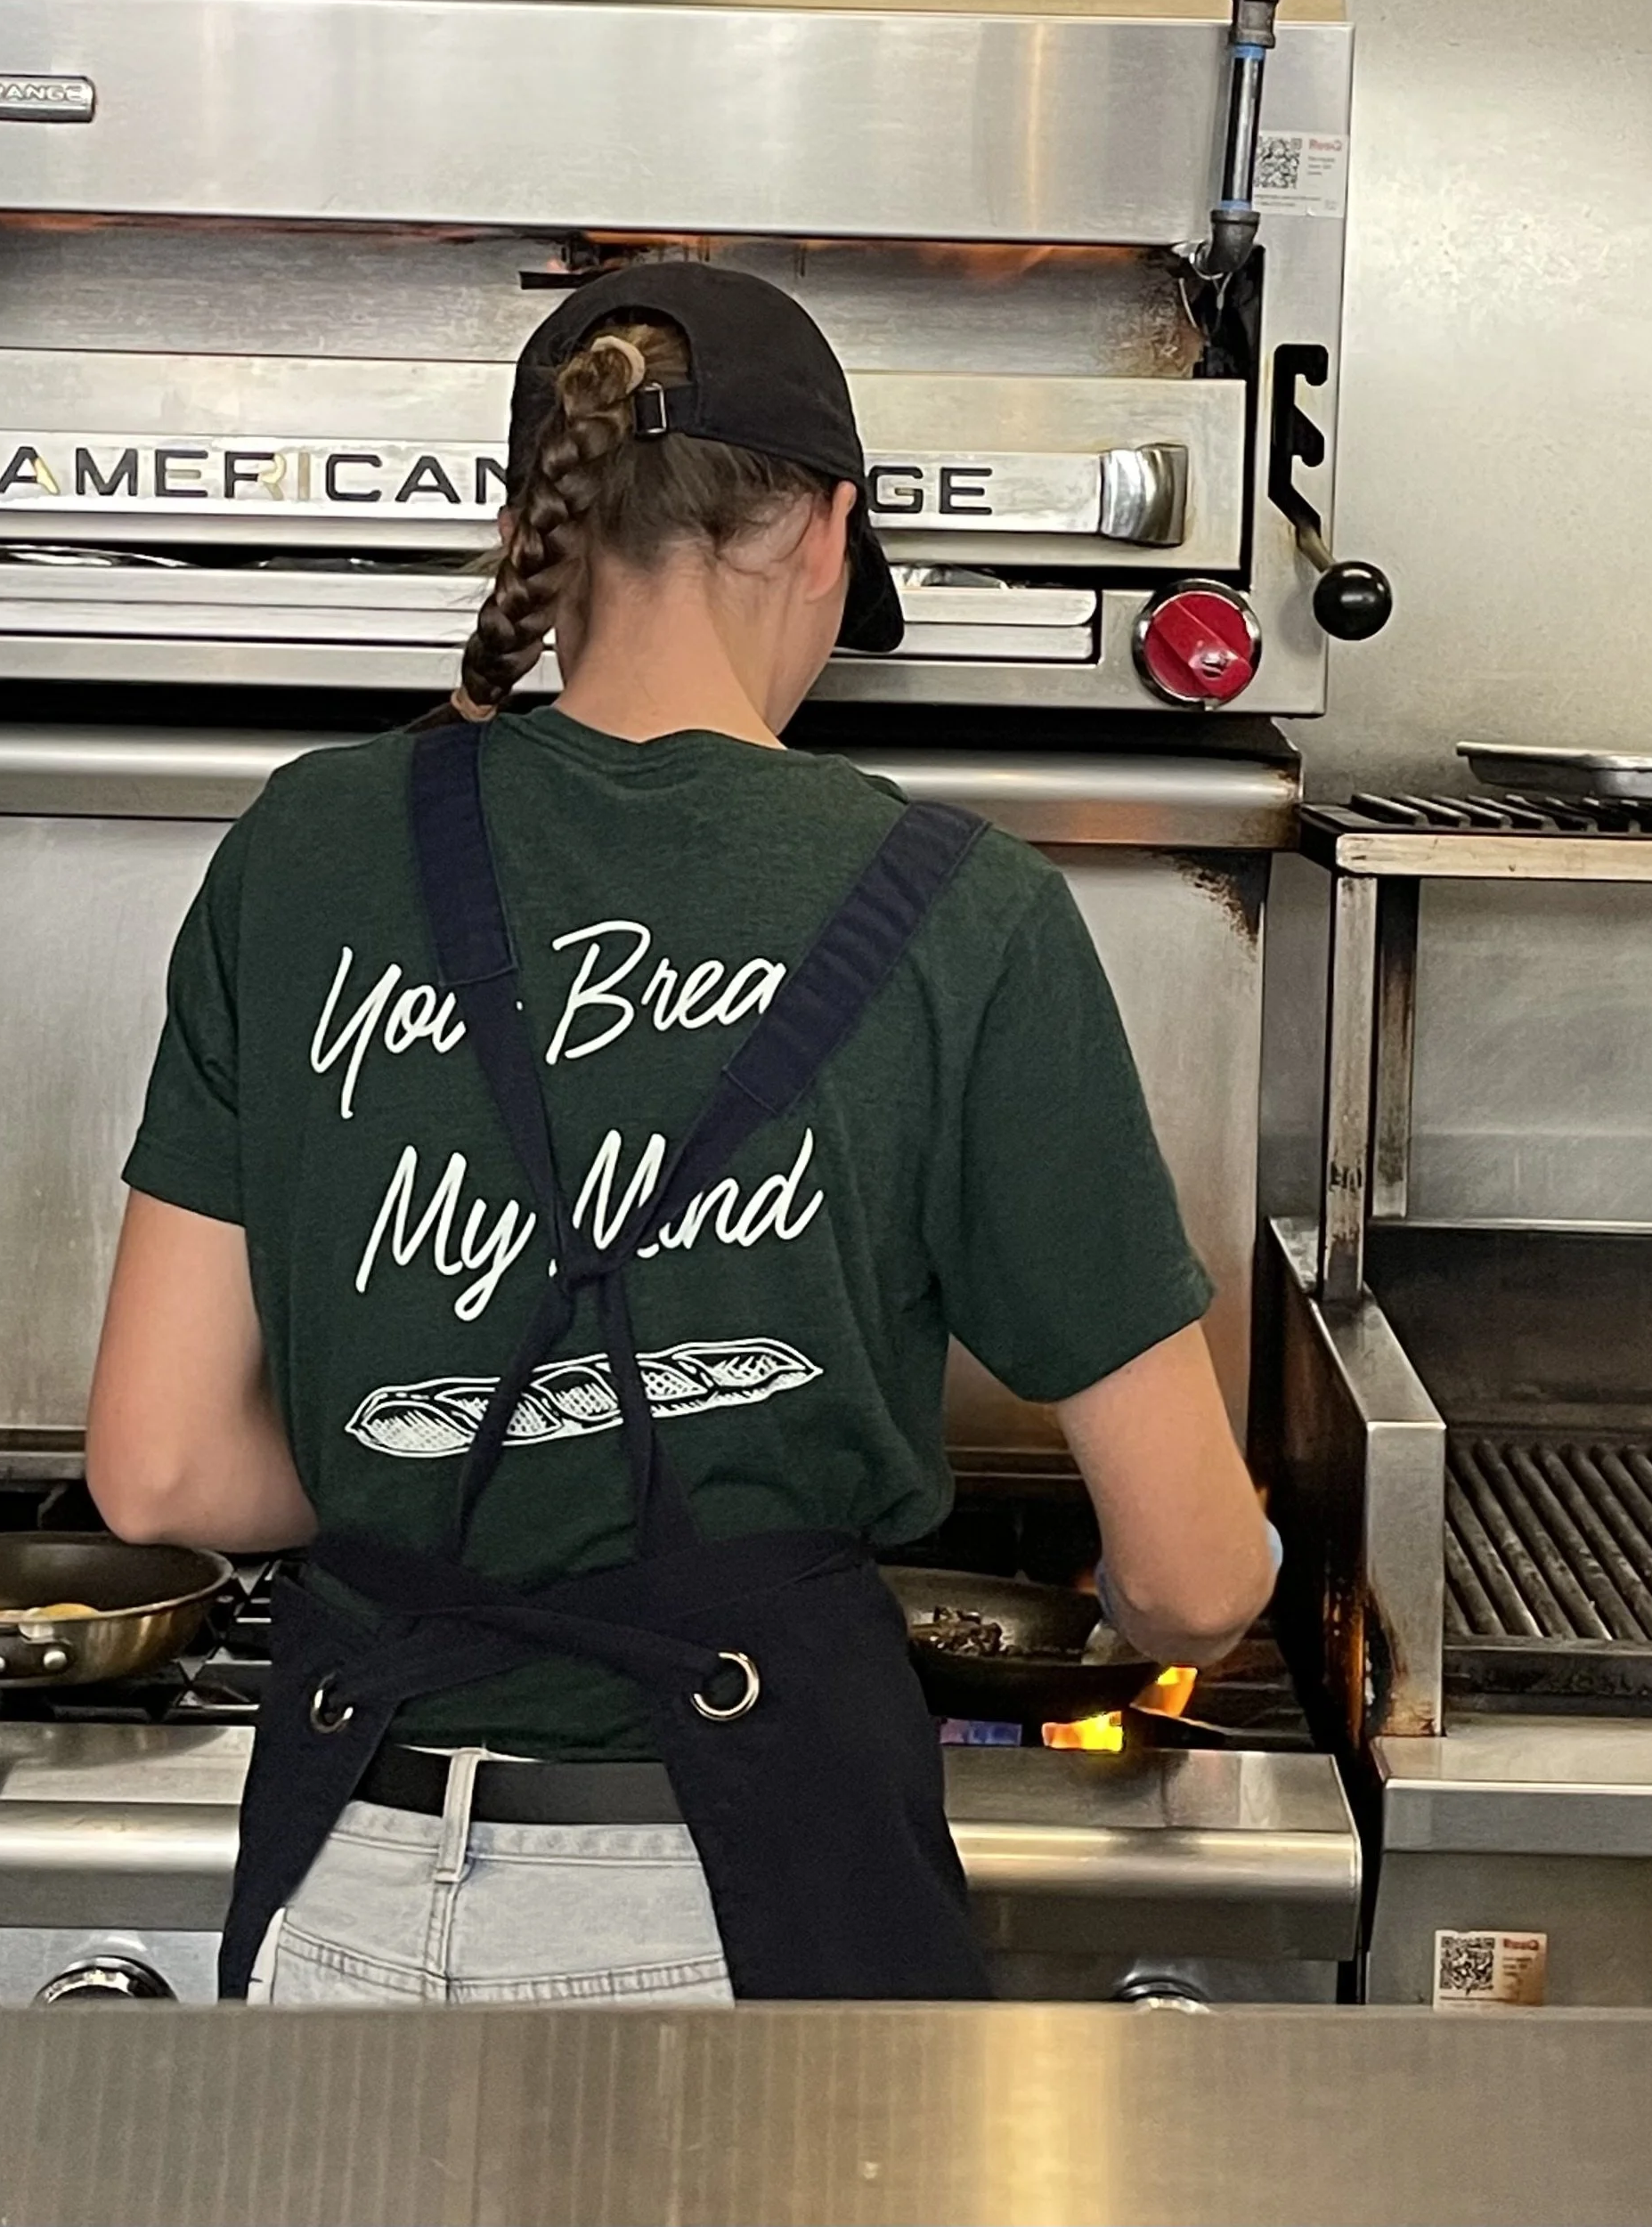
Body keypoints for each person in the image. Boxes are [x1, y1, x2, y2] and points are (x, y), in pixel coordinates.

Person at [87, 261, 1274, 2008]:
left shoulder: (303, 849)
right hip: (748, 1912)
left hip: (346, 1884)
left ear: (537, 526)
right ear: (823, 530)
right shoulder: (967, 917)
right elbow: (1187, 1568)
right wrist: (1167, 1595)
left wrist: (411, 1486)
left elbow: (164, 1470)